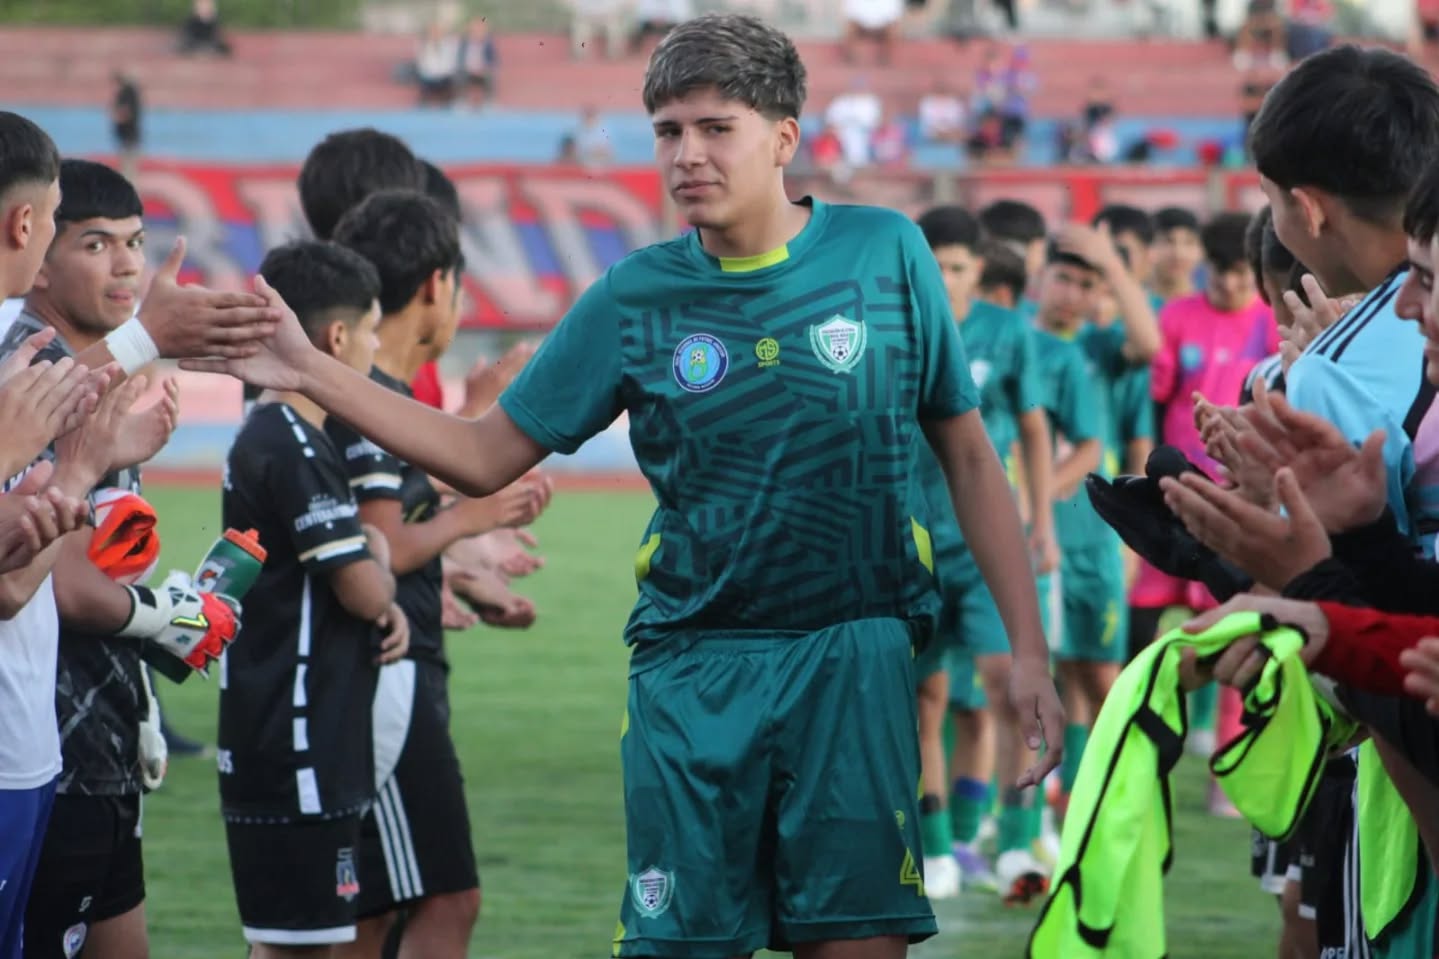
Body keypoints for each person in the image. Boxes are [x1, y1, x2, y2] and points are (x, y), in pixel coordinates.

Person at [189, 15, 1065, 958]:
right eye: (667, 131)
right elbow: (481, 455)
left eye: (715, 128)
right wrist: (309, 370)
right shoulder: (632, 295)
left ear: (783, 137)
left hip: (854, 657)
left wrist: (1026, 649)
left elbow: (969, 457)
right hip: (693, 671)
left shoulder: (885, 253)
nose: (687, 154)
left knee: (856, 945)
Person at [1172, 44, 1439, 959]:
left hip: (1397, 771)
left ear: (1307, 208)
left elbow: (1341, 635)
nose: (1408, 309)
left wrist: (1254, 569)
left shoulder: (1323, 370)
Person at [0, 111, 277, 959]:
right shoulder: (32, 362)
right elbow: (34, 583)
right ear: (32, 234)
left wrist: (144, 699)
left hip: (89, 741)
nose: (125, 264)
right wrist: (168, 616)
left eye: (134, 242)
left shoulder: (97, 376)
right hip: (48, 745)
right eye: (90, 240)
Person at [325, 190, 549, 958]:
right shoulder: (372, 402)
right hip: (384, 672)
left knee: (384, 908)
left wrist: (466, 565)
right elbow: (379, 542)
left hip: (393, 667)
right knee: (434, 902)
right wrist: (471, 516)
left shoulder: (373, 398)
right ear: (435, 285)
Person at [217, 241, 409, 956]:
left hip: (281, 738)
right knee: (298, 948)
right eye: (371, 331)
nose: (375, 348)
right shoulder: (294, 440)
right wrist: (380, 560)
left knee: (291, 943)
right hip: (298, 745)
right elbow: (361, 588)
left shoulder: (276, 432)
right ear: (335, 337)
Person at [910, 205, 1055, 901]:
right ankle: (936, 847)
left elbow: (1033, 429)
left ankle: (1018, 838)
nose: (944, 278)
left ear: (977, 270)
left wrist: (1042, 521)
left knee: (1008, 682)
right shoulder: (891, 329)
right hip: (908, 544)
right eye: (933, 265)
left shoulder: (1007, 332)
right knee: (924, 697)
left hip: (984, 545)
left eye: (957, 267)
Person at [1030, 225, 1160, 821]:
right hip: (1033, 535)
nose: (1072, 294)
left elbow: (1148, 344)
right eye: (1063, 278)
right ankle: (1051, 802)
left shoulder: (1102, 349)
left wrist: (1113, 264)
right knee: (1047, 674)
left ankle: (1113, 790)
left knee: (1101, 675)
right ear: (1040, 278)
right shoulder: (1016, 343)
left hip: (1094, 539)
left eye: (1088, 285)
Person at [1149, 207, 1203, 303]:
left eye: (1189, 242)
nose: (1178, 254)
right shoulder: (1132, 303)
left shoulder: (1214, 303)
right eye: (1168, 241)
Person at [109, 74, 141, 182]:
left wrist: (116, 115)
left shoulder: (127, 94)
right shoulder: (127, 94)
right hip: (127, 138)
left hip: (129, 138)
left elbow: (126, 114)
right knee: (127, 169)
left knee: (129, 169)